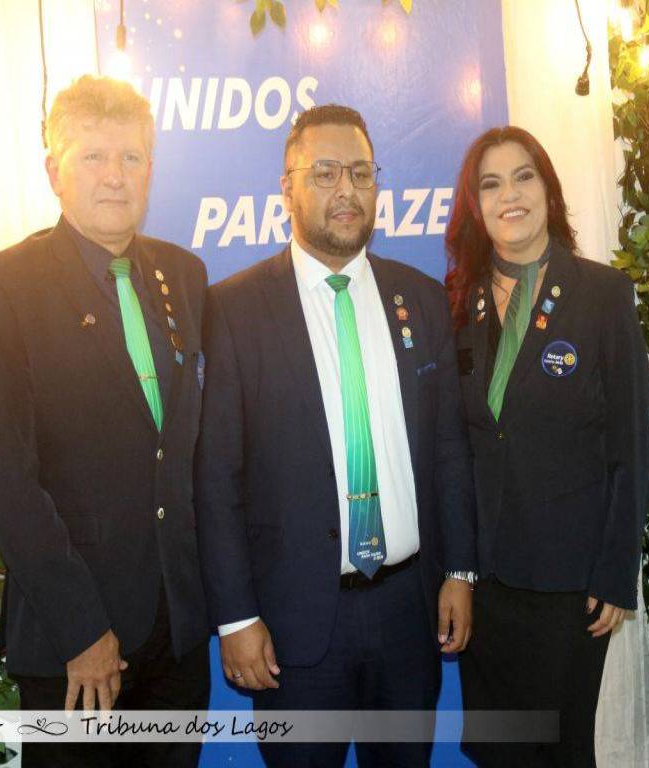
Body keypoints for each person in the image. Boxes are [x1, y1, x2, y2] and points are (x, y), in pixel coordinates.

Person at [195, 104, 477, 767]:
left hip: (409, 613)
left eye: (360, 172)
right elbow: (216, 478)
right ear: (287, 188)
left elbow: (448, 449)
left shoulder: (421, 299)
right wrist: (235, 617)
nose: (346, 190)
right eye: (324, 173)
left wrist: (460, 570)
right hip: (294, 627)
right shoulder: (234, 309)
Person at [0, 75, 210, 767]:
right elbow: (1, 478)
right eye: (93, 156)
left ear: (150, 169)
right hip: (75, 649)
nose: (115, 176)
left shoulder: (185, 276)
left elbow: (190, 450)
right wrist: (82, 629)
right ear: (54, 172)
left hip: (177, 638)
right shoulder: (6, 285)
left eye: (131, 157)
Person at [445, 126, 649, 767]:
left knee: (562, 751)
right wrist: (458, 571)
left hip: (571, 584)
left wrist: (616, 571)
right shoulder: (457, 305)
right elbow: (458, 446)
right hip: (487, 585)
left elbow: (631, 445)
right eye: (491, 184)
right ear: (476, 207)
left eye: (523, 176)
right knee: (499, 753)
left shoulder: (603, 294)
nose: (509, 195)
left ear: (548, 190)